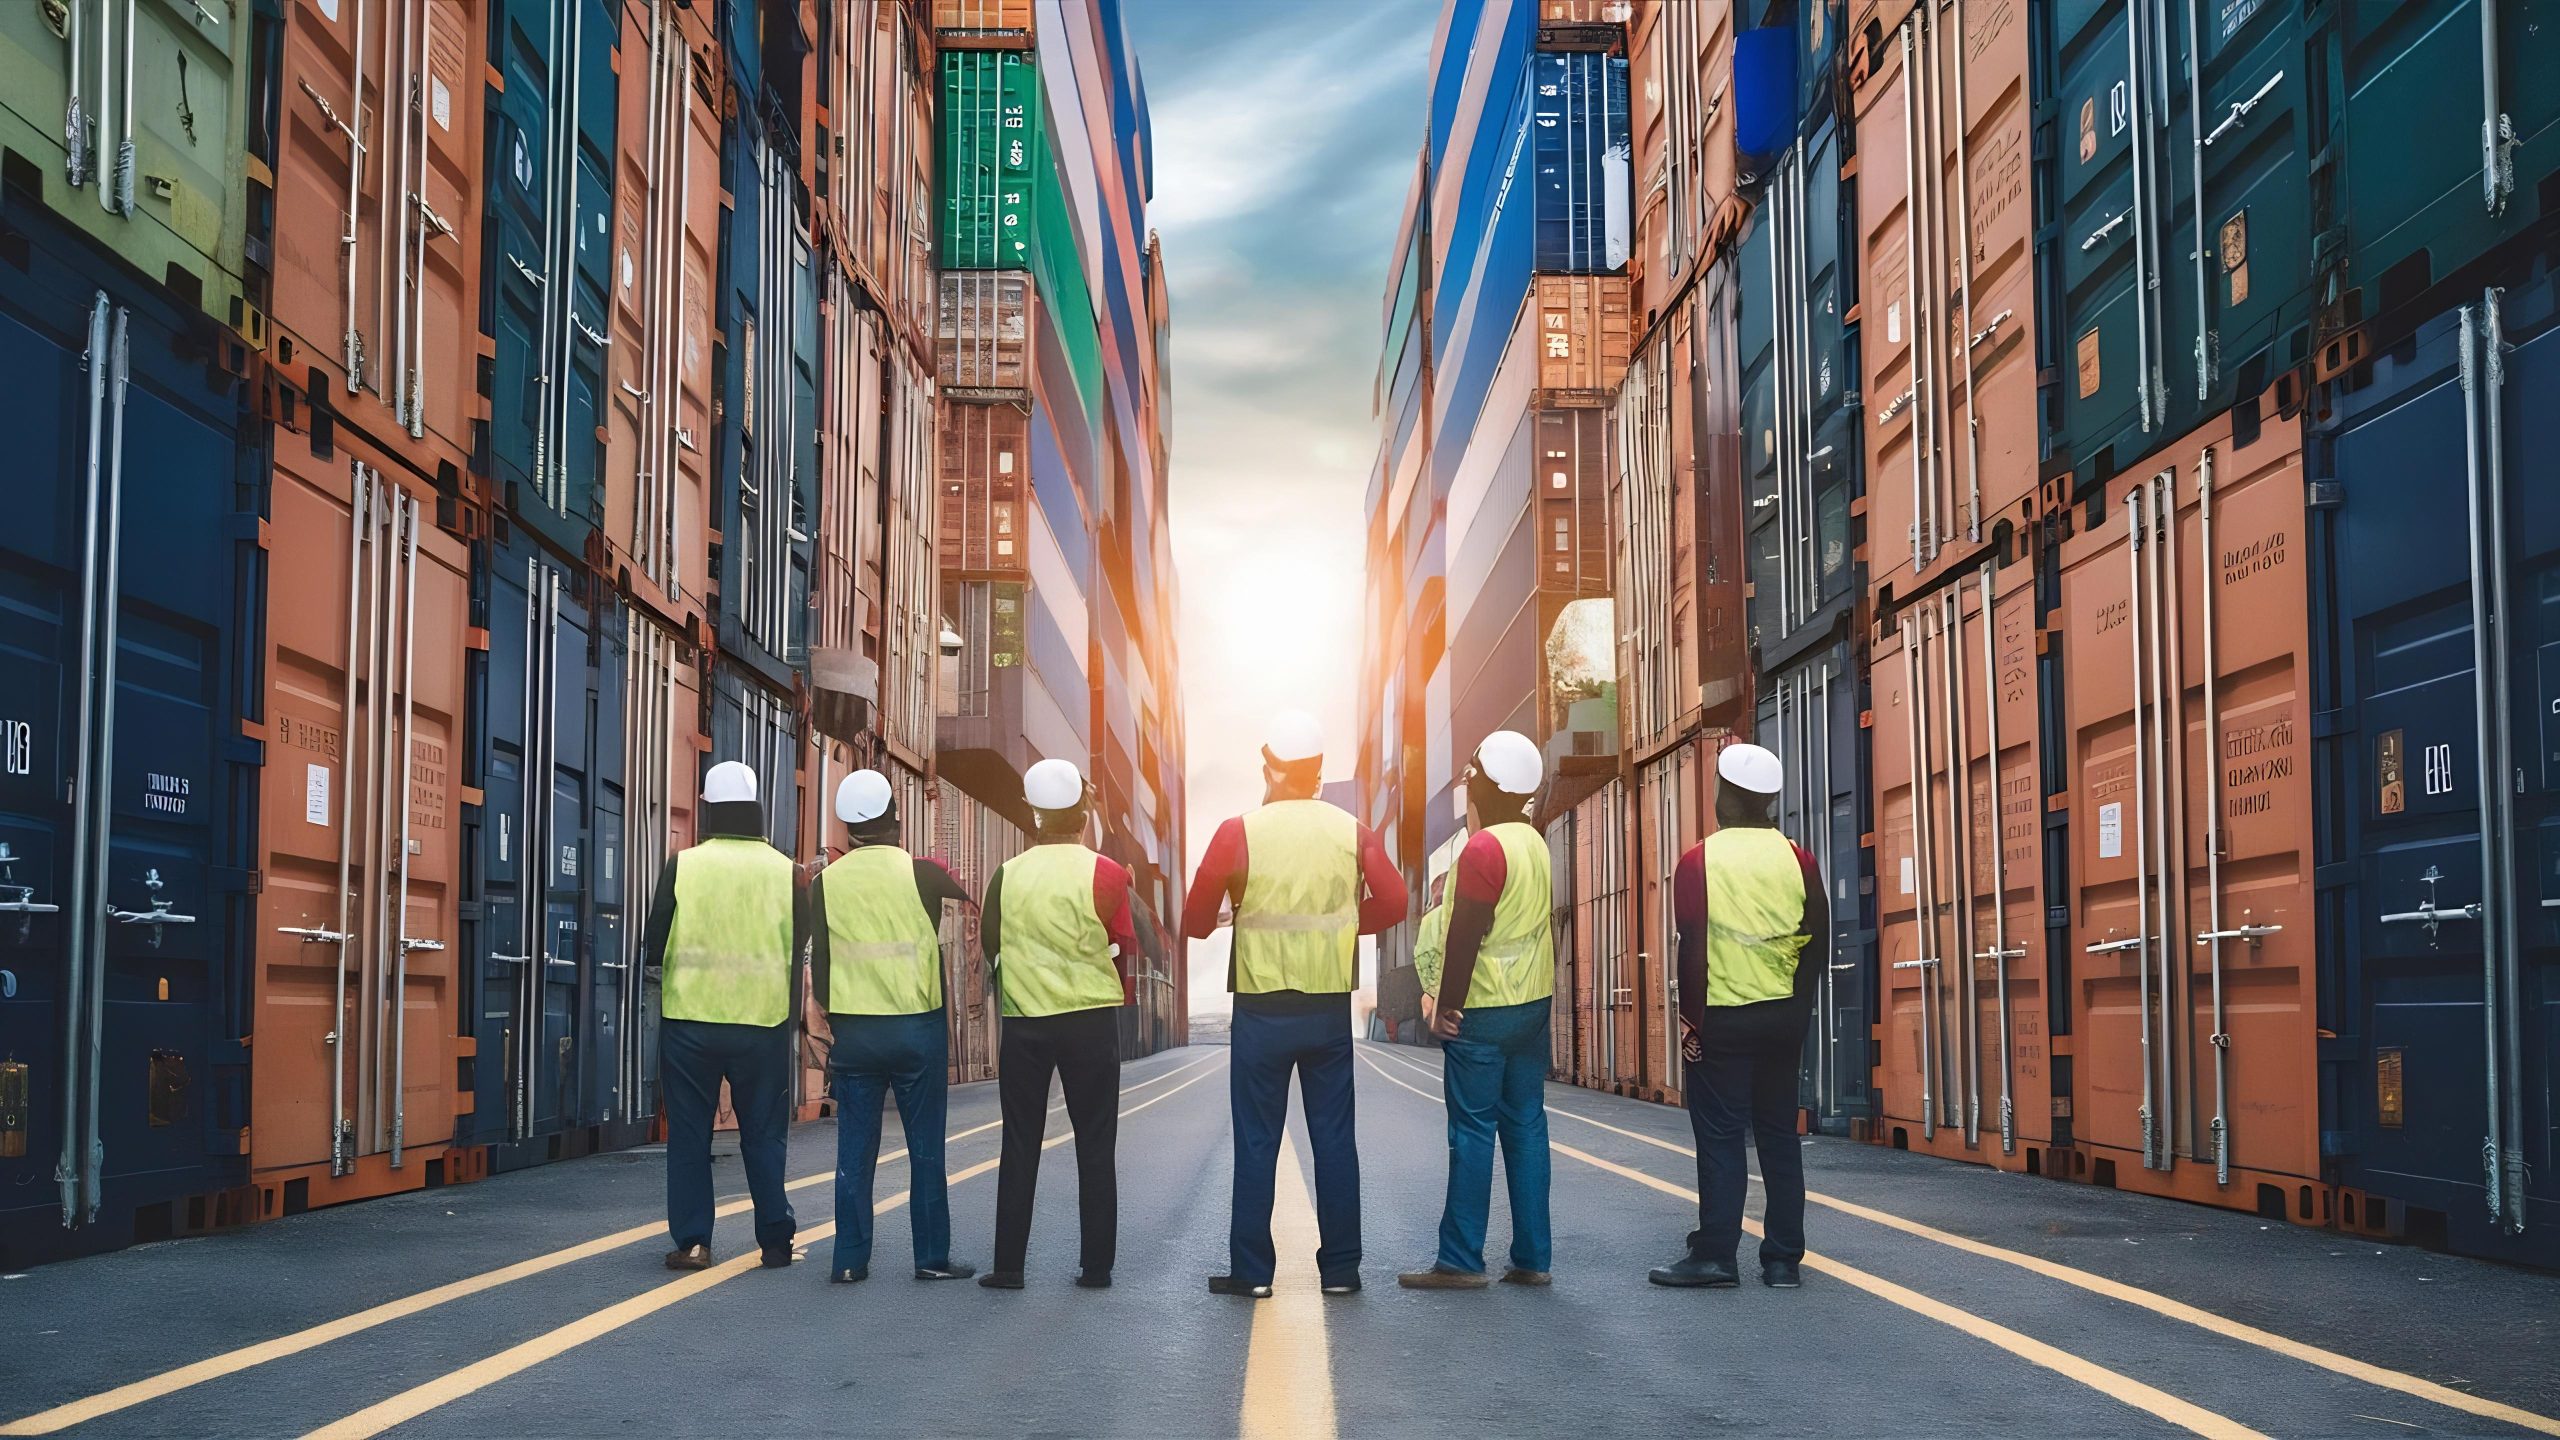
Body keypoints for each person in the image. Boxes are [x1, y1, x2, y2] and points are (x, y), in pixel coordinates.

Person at [1189, 710, 1408, 1300]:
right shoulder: (1351, 830)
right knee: (1333, 1138)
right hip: (1327, 1008)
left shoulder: (1238, 831)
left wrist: (1232, 911)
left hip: (1261, 1010)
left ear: (1269, 771)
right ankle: (1341, 1271)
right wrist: (1345, 924)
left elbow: (1194, 920)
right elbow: (1395, 901)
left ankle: (1252, 1273)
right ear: (1317, 772)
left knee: (1257, 1139)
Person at [1648, 742, 1829, 1290]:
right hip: (1783, 1019)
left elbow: (1692, 948)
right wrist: (1797, 1013)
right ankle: (1783, 1261)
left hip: (1722, 1018)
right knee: (1778, 1134)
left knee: (1722, 1136)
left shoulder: (1698, 860)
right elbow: (1817, 944)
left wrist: (1690, 1025)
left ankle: (1716, 1256)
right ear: (1769, 801)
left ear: (1724, 795)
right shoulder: (1799, 859)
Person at [807, 770, 977, 1284]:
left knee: (854, 1153)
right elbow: (960, 905)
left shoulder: (825, 883)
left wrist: (839, 1018)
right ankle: (930, 1258)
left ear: (847, 826)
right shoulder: (921, 874)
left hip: (856, 1034)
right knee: (925, 1149)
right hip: (915, 1029)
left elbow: (822, 968)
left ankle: (848, 1260)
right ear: (895, 819)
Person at [1400, 731, 1556, 1290]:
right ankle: (1533, 1258)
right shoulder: (1534, 842)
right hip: (1532, 1005)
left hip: (1483, 1010)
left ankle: (1462, 1260)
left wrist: (1445, 1005)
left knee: (1471, 1130)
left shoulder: (1484, 849)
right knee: (1526, 1125)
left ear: (1484, 787)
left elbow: (1466, 933)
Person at [978, 758, 1137, 1291]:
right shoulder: (1107, 873)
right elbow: (1123, 945)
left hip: (1026, 1024)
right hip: (1091, 1023)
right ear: (1084, 816)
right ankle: (1097, 1268)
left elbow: (991, 945)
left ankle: (1009, 1267)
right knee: (1095, 1143)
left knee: (1020, 1142)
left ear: (1034, 815)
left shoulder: (1007, 876)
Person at [641, 760, 805, 1271]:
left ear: (707, 807)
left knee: (690, 1136)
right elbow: (798, 950)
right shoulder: (787, 871)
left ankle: (694, 1243)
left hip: (691, 1025)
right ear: (756, 807)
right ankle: (775, 1243)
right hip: (762, 1025)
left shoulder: (683, 866)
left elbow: (653, 946)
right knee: (764, 1134)